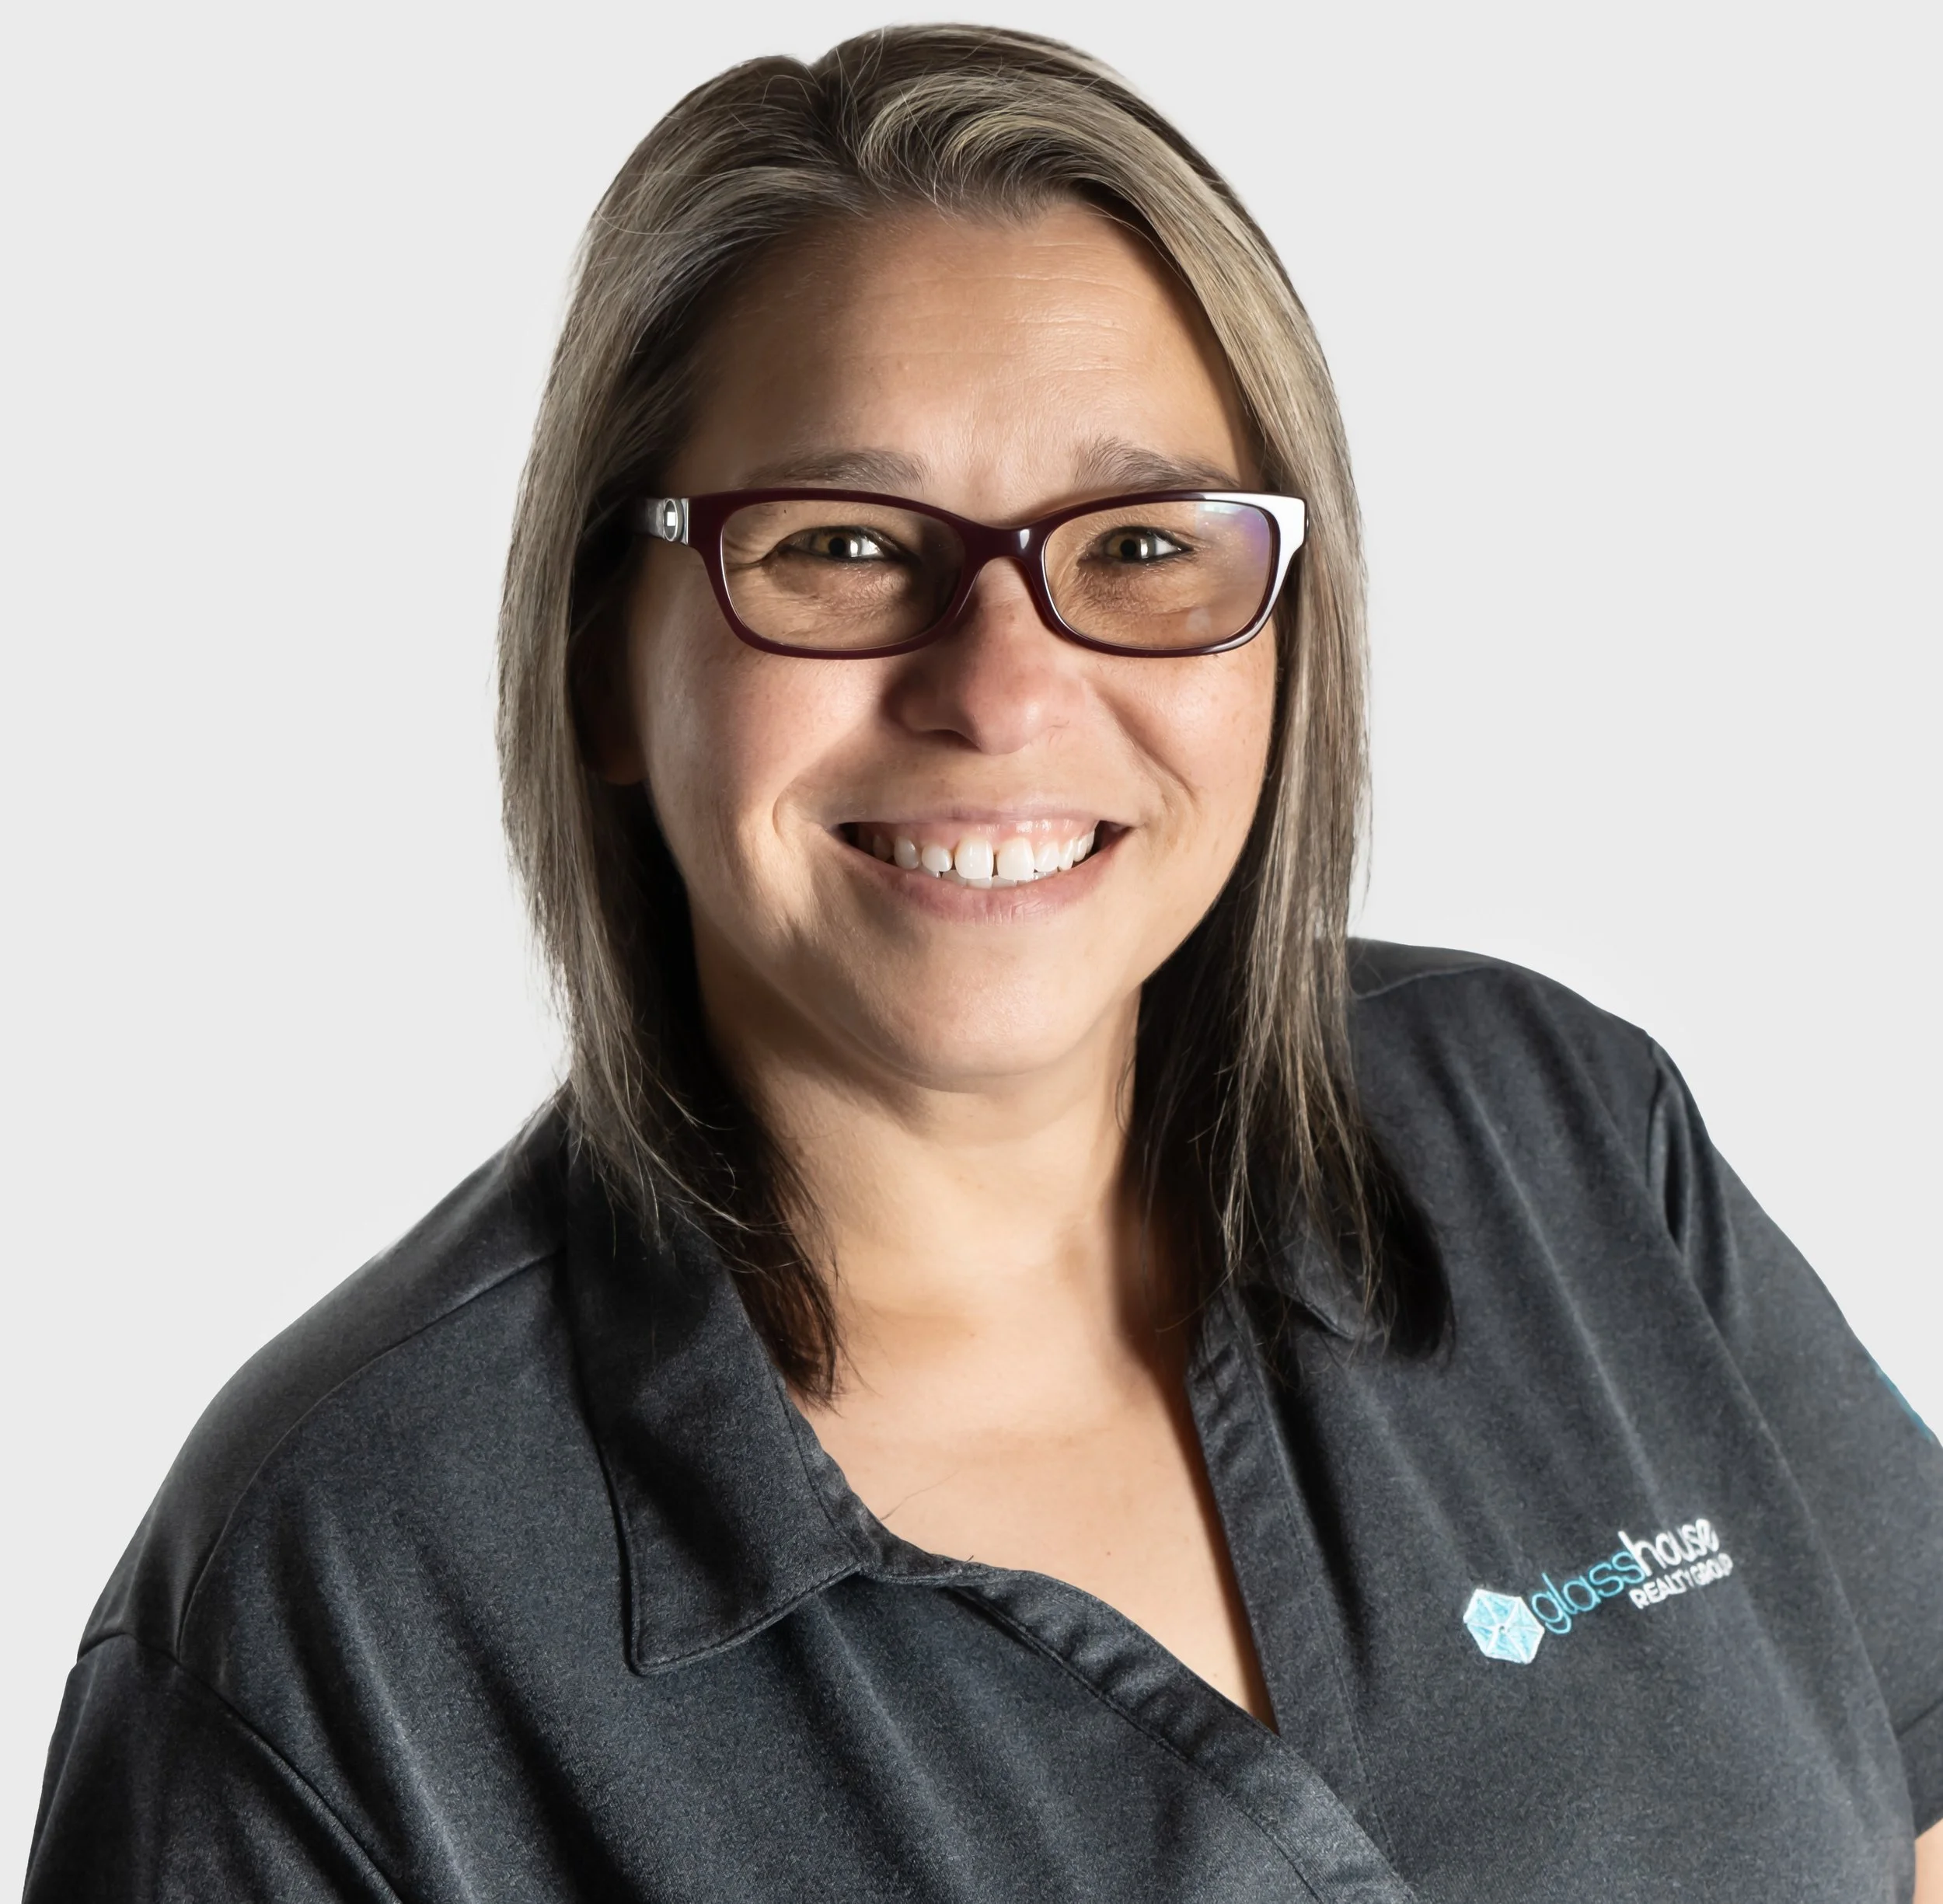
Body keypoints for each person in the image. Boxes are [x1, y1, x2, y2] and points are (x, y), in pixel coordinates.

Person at [26, 25, 1943, 1902]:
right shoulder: (334, 1606)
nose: (1003, 691)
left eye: (1132, 549)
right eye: (845, 546)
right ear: (603, 657)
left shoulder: (1556, 1131)